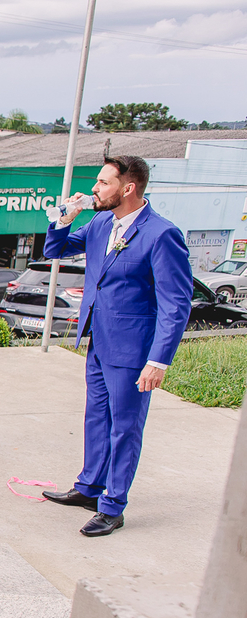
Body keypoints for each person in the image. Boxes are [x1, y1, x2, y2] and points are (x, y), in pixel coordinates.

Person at [41, 156, 192, 536]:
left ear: (128, 188)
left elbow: (176, 305)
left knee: (125, 427)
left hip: (134, 349)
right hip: (98, 340)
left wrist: (158, 360)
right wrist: (63, 218)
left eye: (103, 183)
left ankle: (113, 505)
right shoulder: (101, 222)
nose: (94, 189)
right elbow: (55, 251)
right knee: (96, 417)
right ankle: (90, 487)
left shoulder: (161, 234)